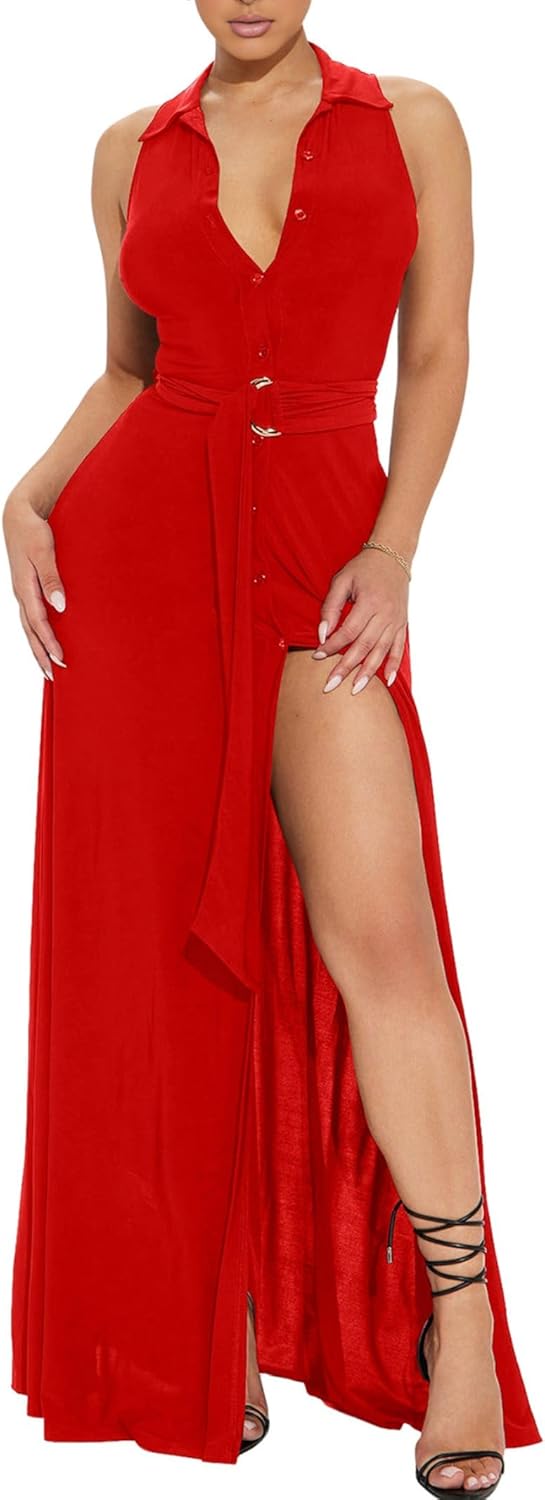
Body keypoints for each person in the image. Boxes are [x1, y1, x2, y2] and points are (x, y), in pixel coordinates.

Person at [3, 1, 541, 1493]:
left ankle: (458, 1327)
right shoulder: (130, 149)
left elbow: (436, 354)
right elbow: (128, 371)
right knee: (163, 963)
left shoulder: (411, 123)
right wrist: (27, 496)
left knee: (385, 945)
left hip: (322, 558)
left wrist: (395, 549)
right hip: (144, 575)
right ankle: (203, 1323)